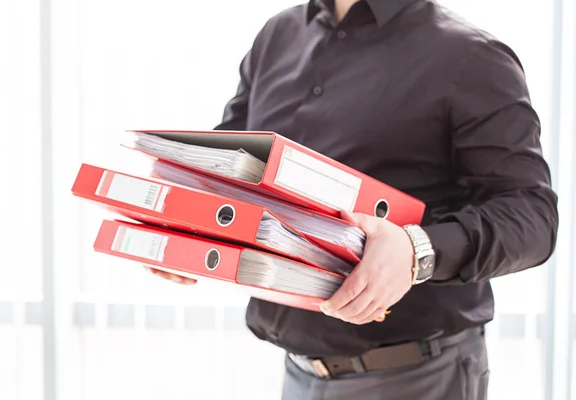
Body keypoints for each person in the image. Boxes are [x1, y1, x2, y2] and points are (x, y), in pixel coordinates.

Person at [145, 0, 559, 398]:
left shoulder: (472, 57)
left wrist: (416, 251)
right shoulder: (277, 35)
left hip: (420, 379)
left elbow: (532, 217)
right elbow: (230, 167)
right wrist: (184, 225)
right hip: (298, 372)